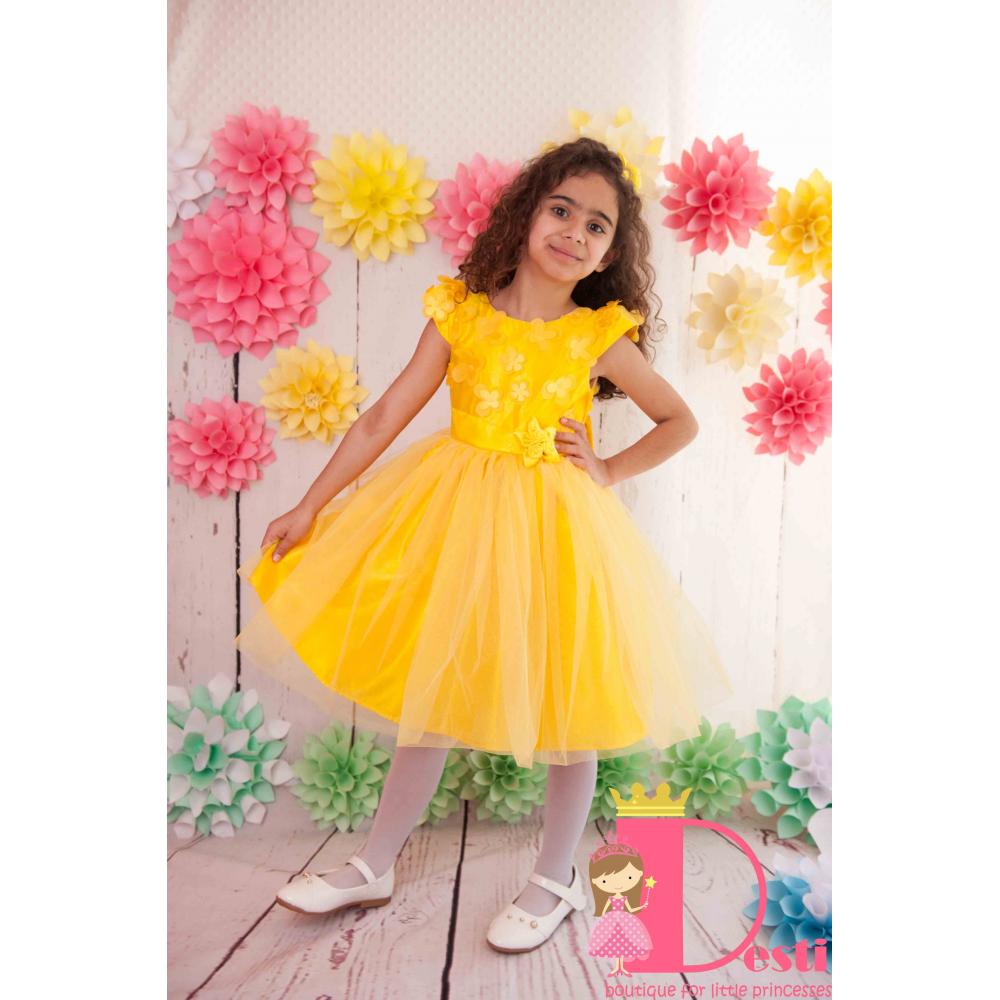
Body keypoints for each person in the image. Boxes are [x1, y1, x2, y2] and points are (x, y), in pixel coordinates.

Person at [234, 137, 733, 954]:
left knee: (572, 697)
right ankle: (375, 862)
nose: (574, 231)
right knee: (431, 688)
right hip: (457, 520)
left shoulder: (596, 335)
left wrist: (608, 468)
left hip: (557, 530)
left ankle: (556, 876)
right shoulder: (462, 315)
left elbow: (680, 420)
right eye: (561, 209)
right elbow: (382, 417)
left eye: (597, 225)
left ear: (610, 253)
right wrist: (310, 505)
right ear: (527, 214)